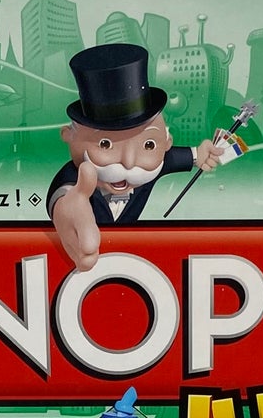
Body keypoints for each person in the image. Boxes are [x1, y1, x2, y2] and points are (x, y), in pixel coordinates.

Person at [46, 44, 220, 271]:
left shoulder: (155, 163)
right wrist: (65, 211)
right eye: (105, 144)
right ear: (68, 136)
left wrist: (199, 154)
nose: (128, 163)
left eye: (148, 145)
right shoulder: (75, 177)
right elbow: (65, 197)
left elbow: (175, 158)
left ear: (166, 141)